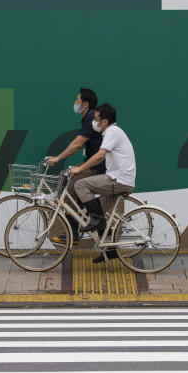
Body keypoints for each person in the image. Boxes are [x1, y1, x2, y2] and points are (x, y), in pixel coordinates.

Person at [69, 103, 136, 263]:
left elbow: (100, 156)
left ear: (104, 122)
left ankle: (96, 219)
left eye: (96, 119)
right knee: (100, 210)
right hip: (119, 178)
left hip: (117, 179)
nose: (94, 122)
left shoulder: (112, 132)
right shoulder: (113, 132)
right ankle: (111, 250)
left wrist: (80, 170)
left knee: (80, 185)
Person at [44, 88, 104, 245]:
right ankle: (86, 215)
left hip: (99, 166)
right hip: (92, 162)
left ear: (85, 104)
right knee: (66, 176)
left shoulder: (91, 117)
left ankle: (73, 233)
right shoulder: (89, 118)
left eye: (77, 100)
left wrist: (57, 158)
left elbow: (78, 143)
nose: (75, 103)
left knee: (72, 187)